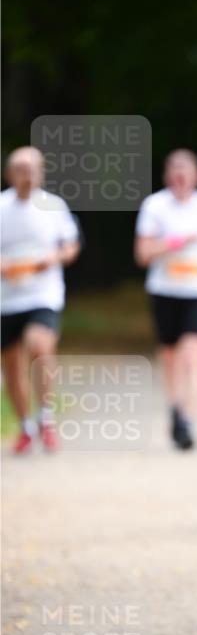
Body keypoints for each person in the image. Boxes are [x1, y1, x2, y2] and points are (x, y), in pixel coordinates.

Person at [134, 149, 197, 450]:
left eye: (186, 170)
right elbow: (143, 255)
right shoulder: (155, 205)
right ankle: (175, 407)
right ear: (167, 175)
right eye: (174, 169)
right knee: (171, 357)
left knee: (193, 353)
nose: (180, 175)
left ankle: (189, 420)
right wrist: (175, 242)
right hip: (164, 290)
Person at [1, 146, 81, 454]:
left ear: (41, 173)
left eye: (33, 169)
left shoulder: (54, 206)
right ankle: (24, 425)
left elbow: (71, 246)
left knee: (39, 345)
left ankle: (46, 415)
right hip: (6, 298)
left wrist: (55, 257)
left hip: (43, 294)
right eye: (21, 169)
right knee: (10, 364)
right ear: (10, 174)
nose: (28, 175)